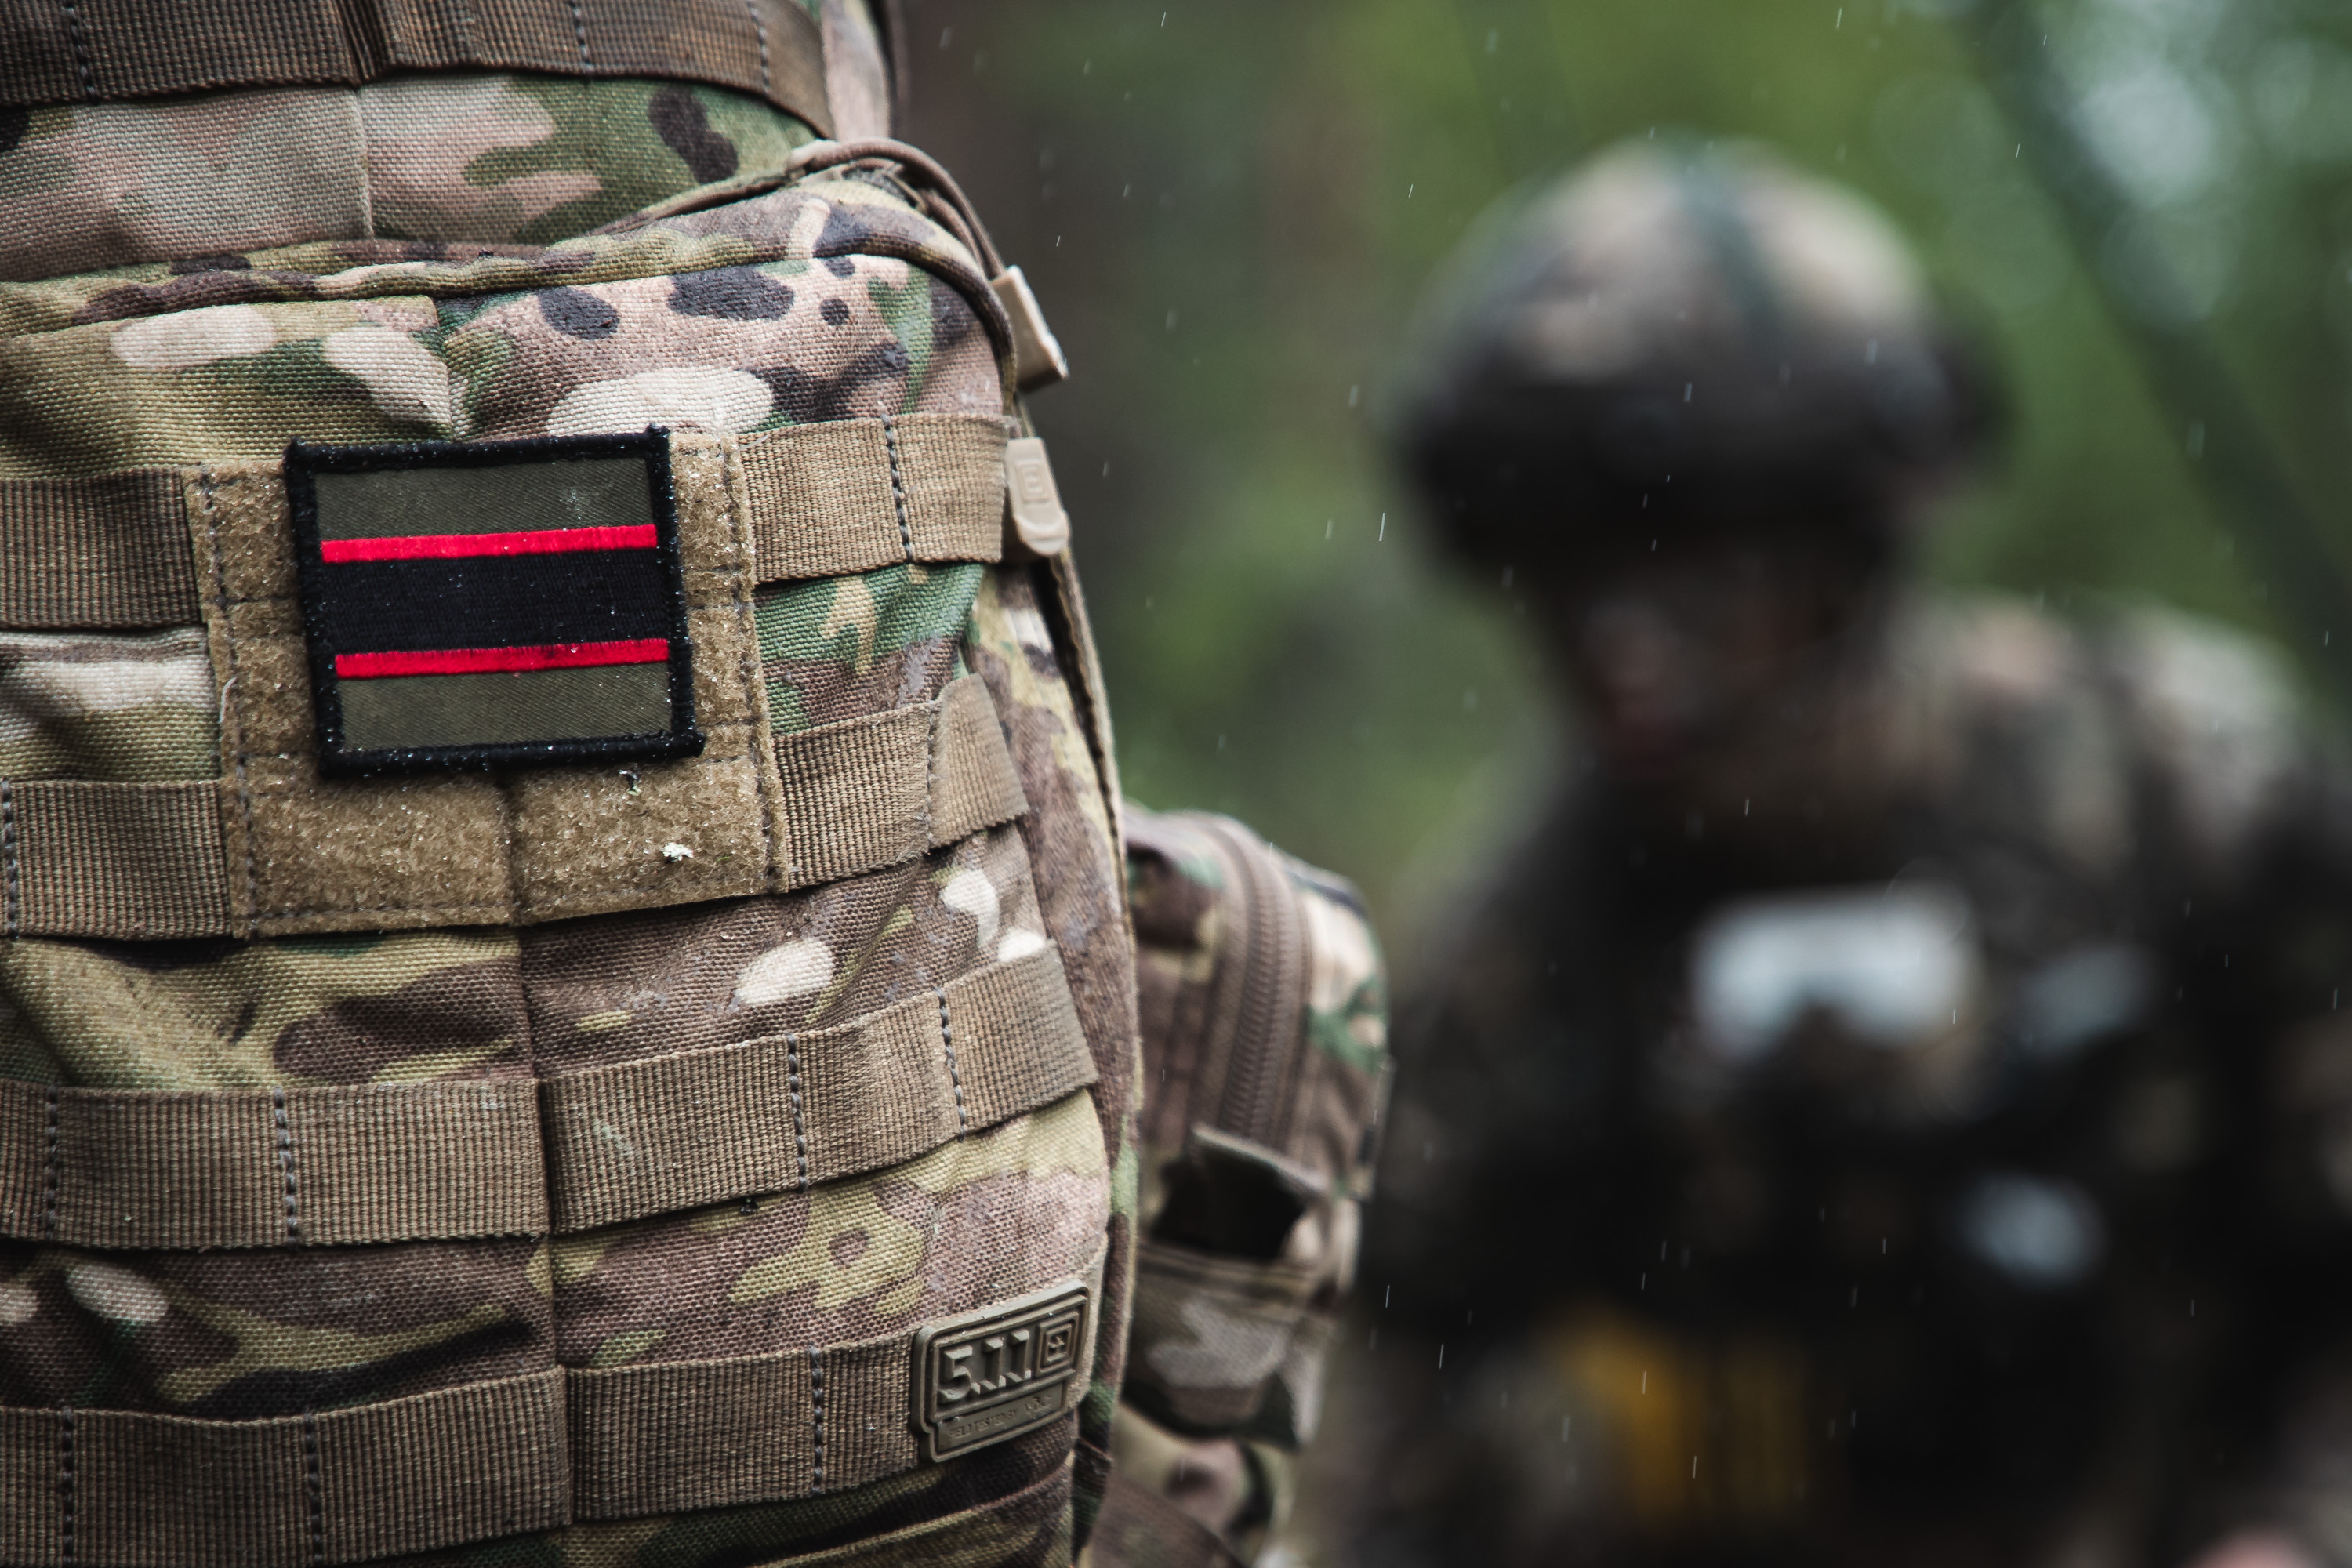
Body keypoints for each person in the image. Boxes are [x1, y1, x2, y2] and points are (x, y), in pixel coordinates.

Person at [1340, 138, 2352, 1568]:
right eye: (1567, 580)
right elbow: (1403, 1406)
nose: (1624, 648)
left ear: (1852, 537)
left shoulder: (2183, 793)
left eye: (1699, 565)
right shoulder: (1522, 942)